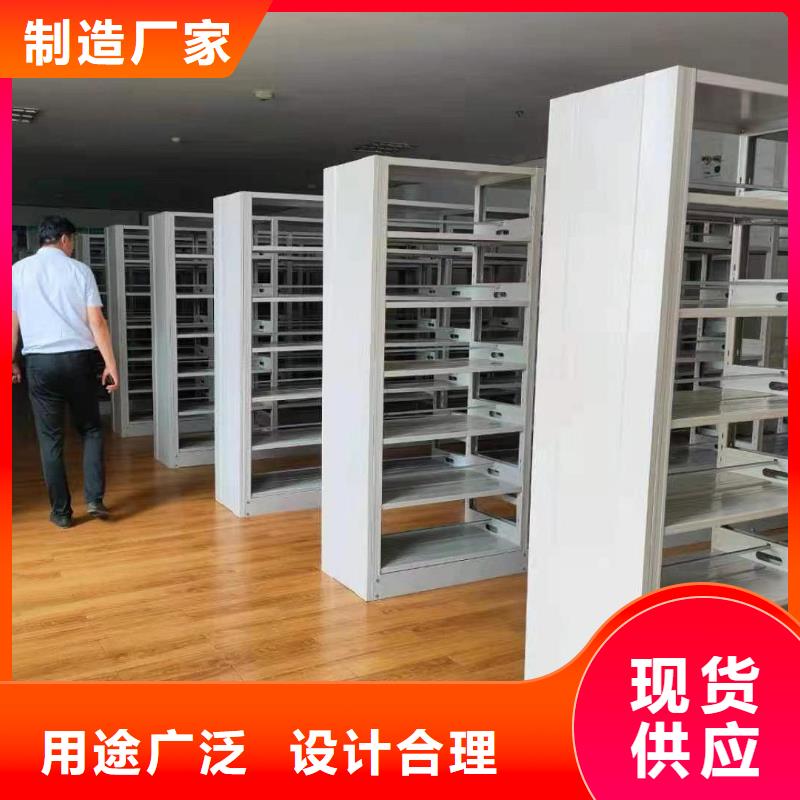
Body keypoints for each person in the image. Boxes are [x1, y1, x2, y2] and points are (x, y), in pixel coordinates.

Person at [11, 216, 120, 529]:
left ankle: (61, 512)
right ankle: (94, 499)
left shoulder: (17, 271)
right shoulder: (80, 271)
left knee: (50, 439)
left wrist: (9, 361)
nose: (72, 247)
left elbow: (11, 322)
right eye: (72, 241)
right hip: (78, 361)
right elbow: (97, 322)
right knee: (91, 430)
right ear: (64, 239)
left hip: (40, 364)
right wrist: (110, 364)